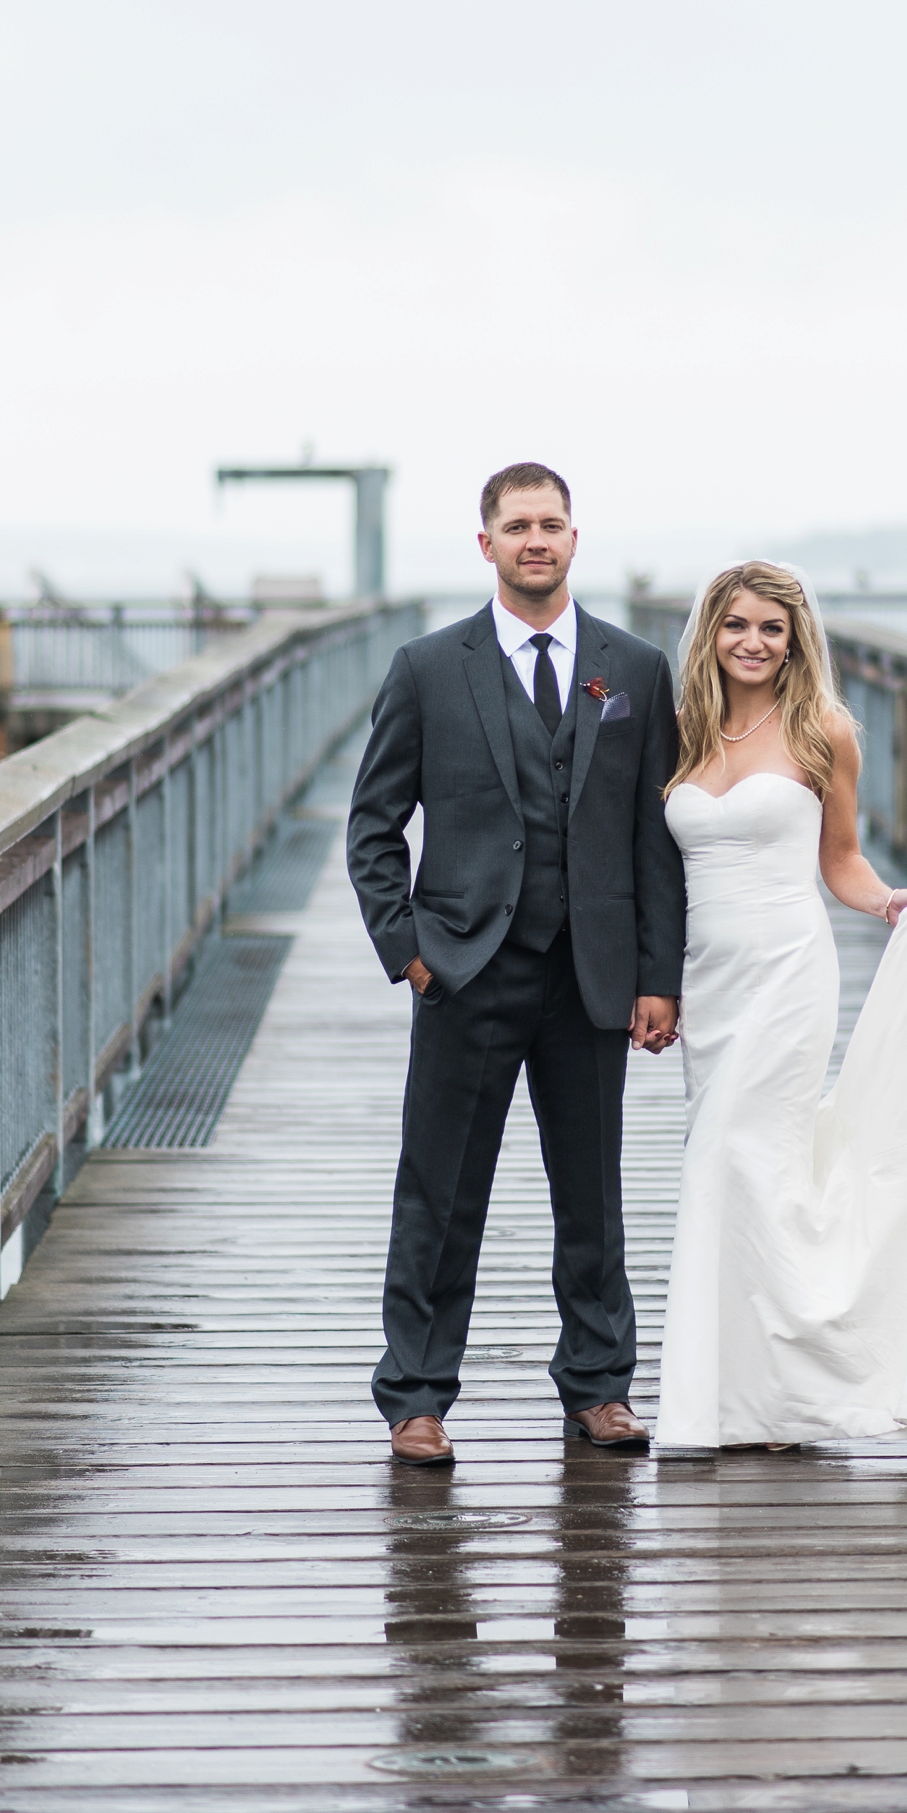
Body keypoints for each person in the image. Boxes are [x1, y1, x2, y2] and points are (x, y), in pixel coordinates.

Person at [655, 561, 907, 1452]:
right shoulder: (678, 730)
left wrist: (890, 903)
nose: (752, 643)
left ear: (795, 641)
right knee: (738, 1175)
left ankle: (759, 1396)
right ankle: (749, 1398)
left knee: (737, 1157)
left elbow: (840, 859)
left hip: (790, 974)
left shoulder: (823, 730)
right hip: (709, 982)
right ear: (709, 632)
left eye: (771, 629)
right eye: (737, 625)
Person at [346, 462, 685, 1466]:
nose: (537, 539)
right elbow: (373, 824)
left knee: (593, 1190)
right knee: (440, 1190)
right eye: (517, 525)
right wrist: (407, 950)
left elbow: (653, 838)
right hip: (465, 968)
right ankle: (416, 1396)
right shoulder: (425, 667)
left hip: (593, 974)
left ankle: (599, 1386)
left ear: (576, 540)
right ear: (485, 542)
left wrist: (658, 976)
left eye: (553, 524)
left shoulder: (635, 669)